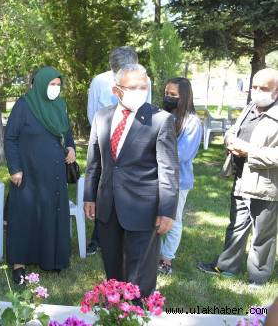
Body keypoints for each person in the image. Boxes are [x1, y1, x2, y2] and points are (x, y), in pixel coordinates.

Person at [83, 63, 179, 297]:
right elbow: (94, 161)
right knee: (112, 266)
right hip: (108, 205)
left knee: (140, 273)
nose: (139, 91)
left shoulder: (160, 120)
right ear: (117, 90)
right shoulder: (102, 116)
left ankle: (137, 311)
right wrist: (89, 197)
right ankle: (116, 308)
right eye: (133, 87)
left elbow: (169, 169)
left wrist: (167, 210)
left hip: (143, 208)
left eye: (143, 86)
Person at [197, 68, 278, 287]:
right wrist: (230, 140)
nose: (257, 92)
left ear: (276, 90)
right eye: (254, 87)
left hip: (266, 185)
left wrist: (248, 151)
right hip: (242, 179)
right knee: (236, 226)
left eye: (264, 88)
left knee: (263, 235)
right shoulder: (250, 107)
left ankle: (258, 277)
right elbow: (233, 130)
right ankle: (227, 266)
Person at [4, 66, 76, 284]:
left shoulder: (60, 105)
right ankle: (19, 265)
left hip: (54, 173)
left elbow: (66, 131)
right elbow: (10, 139)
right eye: (51, 84)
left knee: (51, 214)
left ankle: (51, 259)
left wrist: (71, 148)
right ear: (41, 83)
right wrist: (15, 168)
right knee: (24, 217)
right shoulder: (24, 105)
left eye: (58, 84)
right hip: (28, 173)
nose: (55, 88)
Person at [85, 46, 141, 256]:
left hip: (132, 146)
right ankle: (98, 237)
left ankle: (128, 234)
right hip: (105, 146)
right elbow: (93, 113)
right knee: (103, 190)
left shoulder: (143, 80)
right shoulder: (99, 81)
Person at [157, 78, 202, 275]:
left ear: (184, 97)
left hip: (178, 180)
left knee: (172, 220)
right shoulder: (162, 115)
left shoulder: (192, 122)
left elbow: (183, 154)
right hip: (155, 177)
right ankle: (154, 254)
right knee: (155, 218)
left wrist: (155, 151)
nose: (168, 97)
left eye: (173, 95)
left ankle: (166, 259)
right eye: (167, 93)